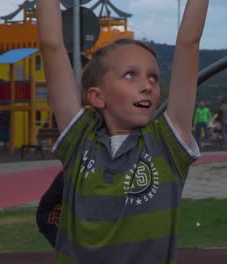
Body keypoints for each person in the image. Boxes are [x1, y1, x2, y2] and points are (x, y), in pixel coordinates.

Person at [36, 0, 209, 263]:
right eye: (131, 75)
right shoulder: (80, 141)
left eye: (153, 77)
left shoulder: (166, 145)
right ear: (97, 96)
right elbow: (51, 47)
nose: (147, 85)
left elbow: (188, 44)